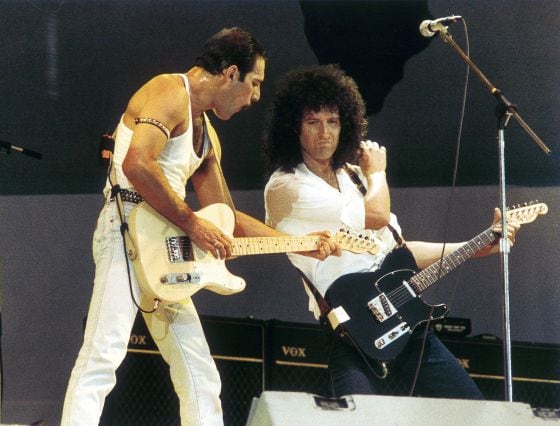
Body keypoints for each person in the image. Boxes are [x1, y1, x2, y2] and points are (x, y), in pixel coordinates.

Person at [61, 29, 336, 426]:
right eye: (254, 83)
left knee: (200, 373)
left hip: (166, 246)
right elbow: (136, 164)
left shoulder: (207, 135)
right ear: (230, 73)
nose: (256, 97)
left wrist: (302, 244)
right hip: (125, 230)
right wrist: (193, 225)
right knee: (103, 355)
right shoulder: (169, 90)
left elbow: (226, 219)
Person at [263, 64, 519, 399]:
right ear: (293, 128)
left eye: (333, 121)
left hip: (403, 319)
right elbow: (377, 215)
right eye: (313, 122)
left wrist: (478, 244)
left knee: (473, 410)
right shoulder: (286, 186)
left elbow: (399, 252)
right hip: (351, 330)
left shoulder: (356, 177)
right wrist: (379, 173)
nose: (324, 132)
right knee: (359, 419)